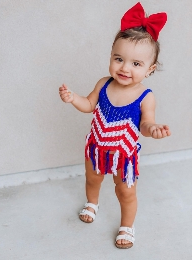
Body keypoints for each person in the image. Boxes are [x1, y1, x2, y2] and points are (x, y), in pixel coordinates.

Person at [59, 2, 171, 249]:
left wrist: (152, 129)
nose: (124, 68)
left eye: (136, 64)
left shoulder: (146, 96)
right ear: (111, 56)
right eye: (119, 59)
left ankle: (127, 226)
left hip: (124, 157)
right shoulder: (104, 84)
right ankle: (92, 202)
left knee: (126, 192)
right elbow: (89, 104)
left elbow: (145, 123)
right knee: (92, 179)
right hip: (97, 149)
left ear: (150, 69)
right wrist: (72, 98)